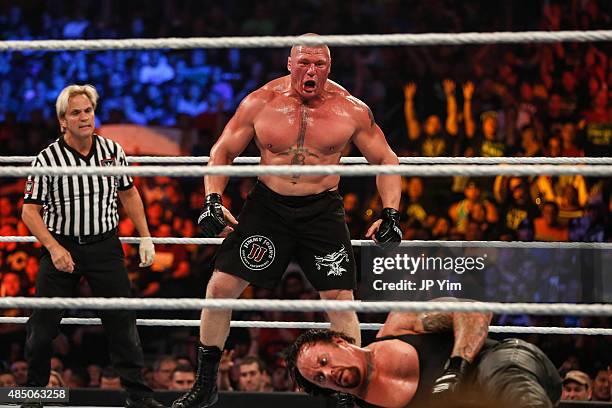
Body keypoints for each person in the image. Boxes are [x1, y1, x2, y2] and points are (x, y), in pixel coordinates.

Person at [173, 34, 402, 408]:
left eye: (320, 65)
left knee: (341, 300)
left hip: (322, 209)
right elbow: (223, 149)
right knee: (219, 290)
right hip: (267, 209)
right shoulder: (261, 102)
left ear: (329, 68)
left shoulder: (351, 110)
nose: (311, 72)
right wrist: (212, 200)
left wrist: (390, 212)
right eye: (304, 64)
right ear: (290, 64)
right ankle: (206, 383)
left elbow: (386, 160)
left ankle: (349, 392)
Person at [21, 84, 163, 408]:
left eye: (88, 111)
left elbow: (129, 193)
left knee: (123, 324)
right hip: (62, 246)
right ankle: (34, 393)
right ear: (62, 121)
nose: (84, 118)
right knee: (42, 328)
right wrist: (55, 249)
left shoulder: (112, 151)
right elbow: (29, 211)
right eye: (76, 113)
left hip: (104, 246)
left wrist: (145, 236)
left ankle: (139, 396)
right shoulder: (47, 159)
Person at [285, 300, 562, 408]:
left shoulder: (401, 324)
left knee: (498, 371)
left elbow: (475, 310)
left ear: (340, 341)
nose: (328, 373)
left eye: (324, 362)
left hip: (517, 366)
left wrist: (457, 367)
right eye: (320, 378)